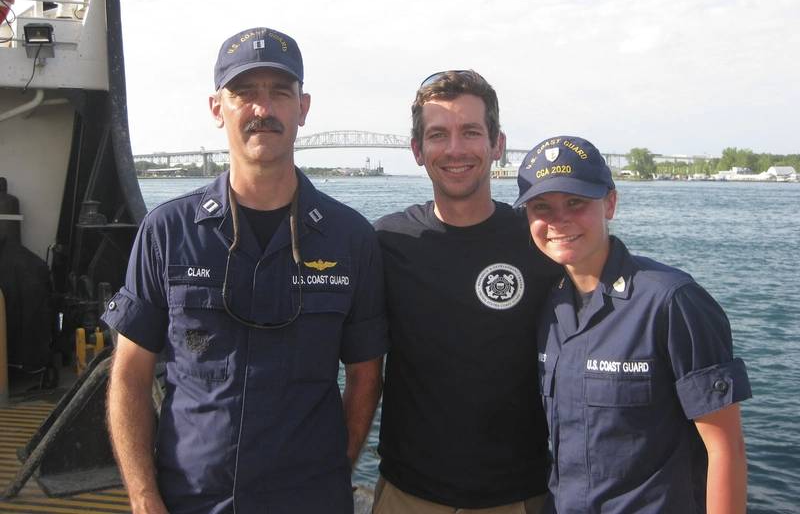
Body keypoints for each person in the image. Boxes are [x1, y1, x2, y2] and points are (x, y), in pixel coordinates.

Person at [103, 27, 388, 514]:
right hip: (190, 498)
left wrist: (335, 468)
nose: (263, 109)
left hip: (310, 499)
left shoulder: (351, 237)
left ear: (303, 107)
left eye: (280, 92)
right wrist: (144, 498)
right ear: (218, 108)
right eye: (244, 93)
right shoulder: (167, 232)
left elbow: (365, 375)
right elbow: (130, 375)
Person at [513, 135, 751, 514]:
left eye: (576, 202)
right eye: (542, 207)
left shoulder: (672, 302)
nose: (559, 221)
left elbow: (725, 447)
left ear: (610, 203)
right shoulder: (551, 306)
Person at [373, 70, 561, 513]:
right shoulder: (384, 243)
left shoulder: (542, 243)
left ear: (497, 144)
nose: (455, 149)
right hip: (407, 495)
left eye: (471, 132)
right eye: (438, 135)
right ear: (418, 150)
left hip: (520, 496)